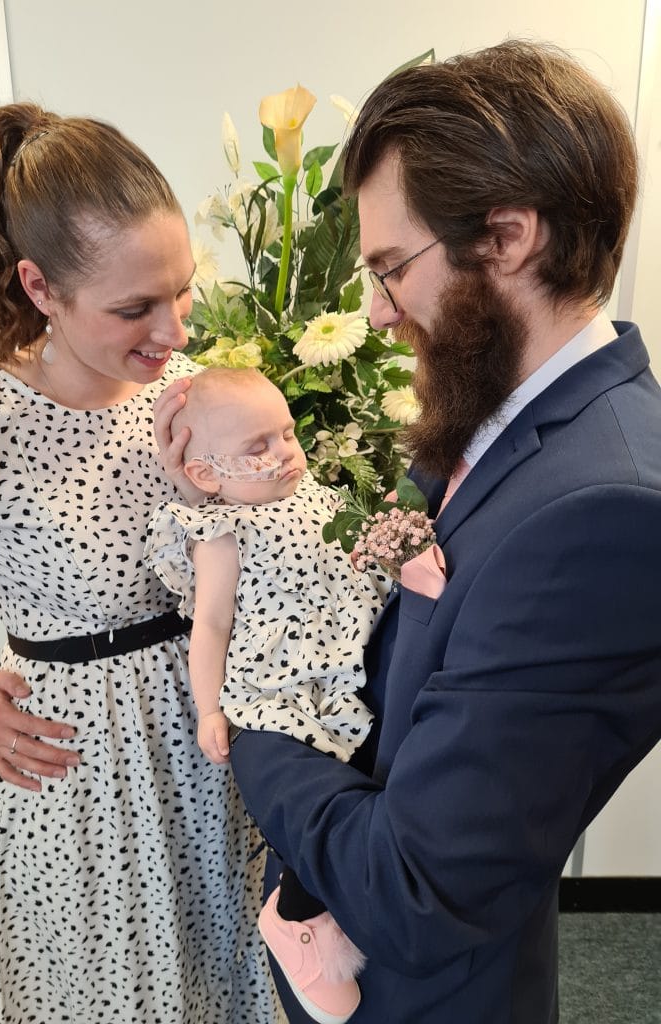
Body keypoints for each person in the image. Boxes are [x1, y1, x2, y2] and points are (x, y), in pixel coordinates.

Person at [158, 40, 661, 1023]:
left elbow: (416, 890)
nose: (381, 315)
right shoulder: (499, 411)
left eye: (392, 270)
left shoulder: (605, 511)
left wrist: (254, 716)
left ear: (507, 237)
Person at [0, 103, 283, 1024]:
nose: (176, 328)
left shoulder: (192, 397)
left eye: (182, 290)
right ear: (40, 288)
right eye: (135, 307)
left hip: (209, 767)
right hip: (82, 794)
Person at [146, 366, 390, 1024]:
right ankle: (295, 915)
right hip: (275, 683)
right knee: (318, 788)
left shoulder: (308, 492)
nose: (284, 451)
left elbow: (355, 547)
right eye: (258, 446)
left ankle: (321, 903)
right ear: (206, 475)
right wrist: (208, 708)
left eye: (286, 433)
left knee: (367, 768)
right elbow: (212, 625)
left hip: (338, 660)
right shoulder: (223, 533)